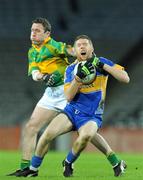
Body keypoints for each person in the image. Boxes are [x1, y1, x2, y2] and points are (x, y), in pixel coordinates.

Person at [15, 35, 130, 177]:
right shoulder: (71, 69)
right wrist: (77, 79)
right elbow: (69, 97)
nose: (82, 47)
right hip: (71, 112)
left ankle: (68, 161)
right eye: (79, 45)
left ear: (92, 48)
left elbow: (125, 78)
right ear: (75, 50)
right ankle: (33, 169)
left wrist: (101, 65)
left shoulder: (102, 63)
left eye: (85, 44)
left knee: (86, 136)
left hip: (91, 115)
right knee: (46, 135)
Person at [7, 17, 75, 176]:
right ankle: (26, 168)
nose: (33, 34)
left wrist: (80, 52)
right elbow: (35, 74)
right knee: (31, 127)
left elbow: (71, 51)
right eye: (32, 30)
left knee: (86, 131)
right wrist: (43, 77)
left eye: (37, 31)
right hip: (51, 94)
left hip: (67, 92)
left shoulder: (53, 45)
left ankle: (114, 160)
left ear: (47, 34)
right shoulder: (32, 51)